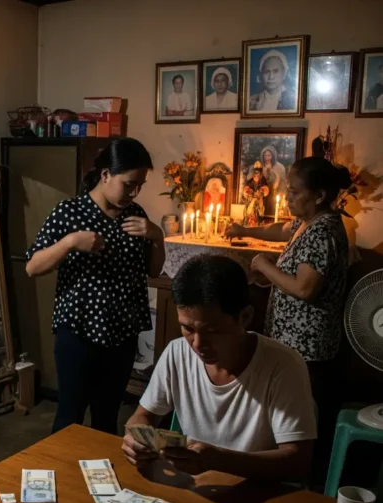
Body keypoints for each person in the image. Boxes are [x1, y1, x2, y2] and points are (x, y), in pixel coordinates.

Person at [122, 255, 317, 482]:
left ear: (245, 317)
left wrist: (220, 461)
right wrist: (136, 437)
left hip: (258, 493)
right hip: (198, 488)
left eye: (213, 331)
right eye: (187, 328)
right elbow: (142, 416)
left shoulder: (283, 365)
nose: (197, 344)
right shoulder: (177, 352)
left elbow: (298, 462)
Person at [25, 138, 165, 435]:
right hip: (78, 331)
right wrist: (72, 242)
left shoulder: (135, 215)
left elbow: (153, 270)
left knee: (107, 417)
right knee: (70, 416)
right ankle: (61, 477)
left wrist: (157, 236)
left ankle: (100, 480)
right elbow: (33, 266)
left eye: (140, 185)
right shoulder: (69, 212)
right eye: (129, 184)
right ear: (105, 175)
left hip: (122, 332)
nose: (134, 192)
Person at [226, 157, 351, 479]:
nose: (287, 197)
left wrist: (265, 266)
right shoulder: (305, 224)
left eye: (294, 192)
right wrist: (243, 229)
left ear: (320, 195)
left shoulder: (323, 232)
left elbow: (306, 288)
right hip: (290, 342)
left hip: (309, 346)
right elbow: (278, 230)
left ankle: (304, 483)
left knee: (303, 418)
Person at [246, 146, 286, 214]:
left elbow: (282, 183)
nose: (266, 158)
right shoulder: (259, 166)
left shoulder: (280, 167)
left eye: (269, 155)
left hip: (273, 192)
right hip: (262, 192)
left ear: (273, 156)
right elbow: (251, 178)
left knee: (272, 208)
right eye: (265, 155)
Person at [241, 162, 269, 227]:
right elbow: (246, 189)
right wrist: (248, 191)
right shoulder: (251, 181)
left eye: (258, 173)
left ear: (260, 173)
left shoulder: (263, 180)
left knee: (258, 212)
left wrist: (261, 192)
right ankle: (248, 222)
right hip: (251, 201)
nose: (256, 174)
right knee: (249, 211)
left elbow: (265, 189)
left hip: (258, 201)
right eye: (255, 172)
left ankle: (258, 222)